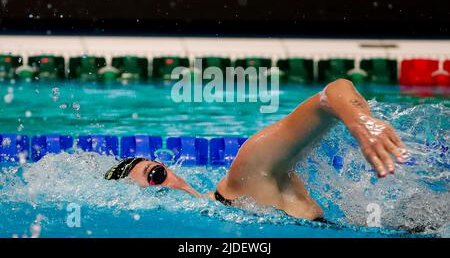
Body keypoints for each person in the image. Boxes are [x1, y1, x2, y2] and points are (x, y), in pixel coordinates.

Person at [105, 79, 407, 222]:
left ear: (170, 171)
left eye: (156, 175)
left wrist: (362, 122)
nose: (159, 193)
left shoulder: (246, 177)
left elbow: (333, 93)